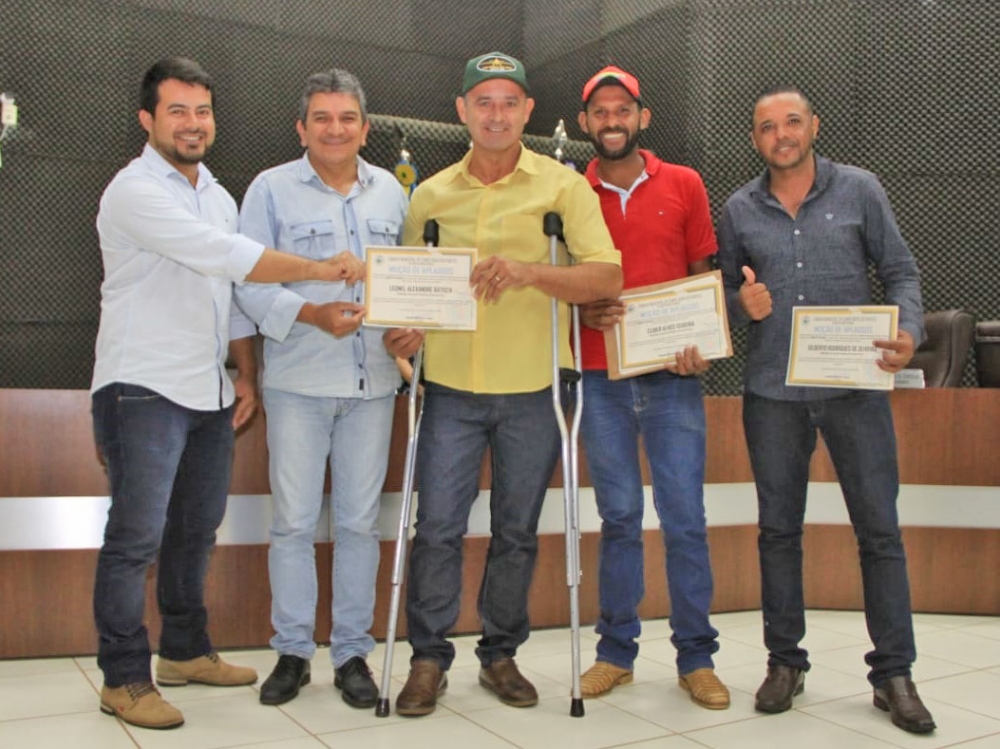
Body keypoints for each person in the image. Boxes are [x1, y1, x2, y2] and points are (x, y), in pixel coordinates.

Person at [91, 56, 362, 731]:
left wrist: (246, 370)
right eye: (177, 110)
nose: (192, 123)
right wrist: (320, 269)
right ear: (148, 119)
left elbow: (234, 297)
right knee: (135, 537)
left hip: (207, 390)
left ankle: (184, 650)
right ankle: (124, 676)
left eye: (202, 111)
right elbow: (229, 258)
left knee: (193, 532)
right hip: (142, 387)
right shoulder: (134, 190)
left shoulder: (213, 190)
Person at [382, 51, 622, 717]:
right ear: (461, 111)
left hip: (535, 388)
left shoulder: (562, 187)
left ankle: (500, 653)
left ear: (527, 112)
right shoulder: (428, 194)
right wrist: (402, 335)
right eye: (482, 101)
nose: (495, 113)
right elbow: (408, 292)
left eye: (508, 102)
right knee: (437, 529)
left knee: (516, 529)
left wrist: (529, 272)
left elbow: (606, 274)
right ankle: (428, 658)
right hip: (451, 389)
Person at [717, 85, 936, 734]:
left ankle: (893, 672)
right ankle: (785, 661)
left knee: (879, 531)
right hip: (772, 394)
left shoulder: (861, 190)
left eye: (791, 121)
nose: (780, 134)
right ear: (754, 138)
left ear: (814, 125)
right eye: (766, 126)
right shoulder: (737, 208)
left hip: (854, 391)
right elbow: (726, 288)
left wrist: (909, 329)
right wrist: (740, 304)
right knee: (778, 532)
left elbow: (901, 271)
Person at [233, 68, 407, 708]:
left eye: (348, 118)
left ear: (364, 127)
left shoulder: (392, 192)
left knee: (361, 524)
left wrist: (411, 330)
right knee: (295, 523)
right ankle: (293, 652)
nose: (336, 129)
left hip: (374, 384)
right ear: (302, 127)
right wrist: (311, 314)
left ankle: (354, 654)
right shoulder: (270, 190)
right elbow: (247, 281)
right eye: (323, 118)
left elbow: (412, 280)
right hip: (298, 382)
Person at [573, 65, 729, 710]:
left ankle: (697, 658)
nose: (612, 121)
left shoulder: (685, 185)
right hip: (598, 377)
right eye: (600, 112)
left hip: (672, 380)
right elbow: (556, 284)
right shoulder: (567, 191)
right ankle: (616, 654)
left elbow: (703, 277)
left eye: (623, 110)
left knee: (686, 520)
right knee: (619, 520)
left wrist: (705, 345)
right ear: (585, 123)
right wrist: (579, 310)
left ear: (643, 118)